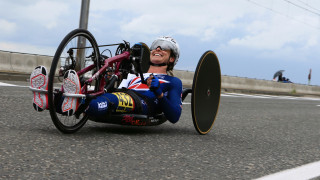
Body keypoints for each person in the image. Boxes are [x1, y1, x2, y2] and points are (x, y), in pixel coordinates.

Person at [30, 36, 183, 124]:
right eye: (155, 46)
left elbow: (174, 116)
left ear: (171, 58)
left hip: (142, 102)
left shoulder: (173, 82)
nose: (157, 49)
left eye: (164, 47)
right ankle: (47, 100)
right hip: (123, 93)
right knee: (98, 94)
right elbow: (116, 88)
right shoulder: (134, 75)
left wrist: (158, 93)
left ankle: (77, 100)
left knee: (100, 104)